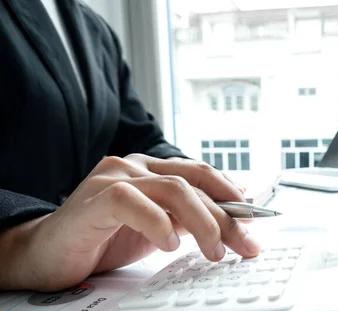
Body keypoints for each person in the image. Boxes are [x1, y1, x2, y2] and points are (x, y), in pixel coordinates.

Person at [0, 0, 260, 292]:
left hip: (92, 276)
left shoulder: (92, 27)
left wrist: (194, 186)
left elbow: (140, 138)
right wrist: (22, 241)